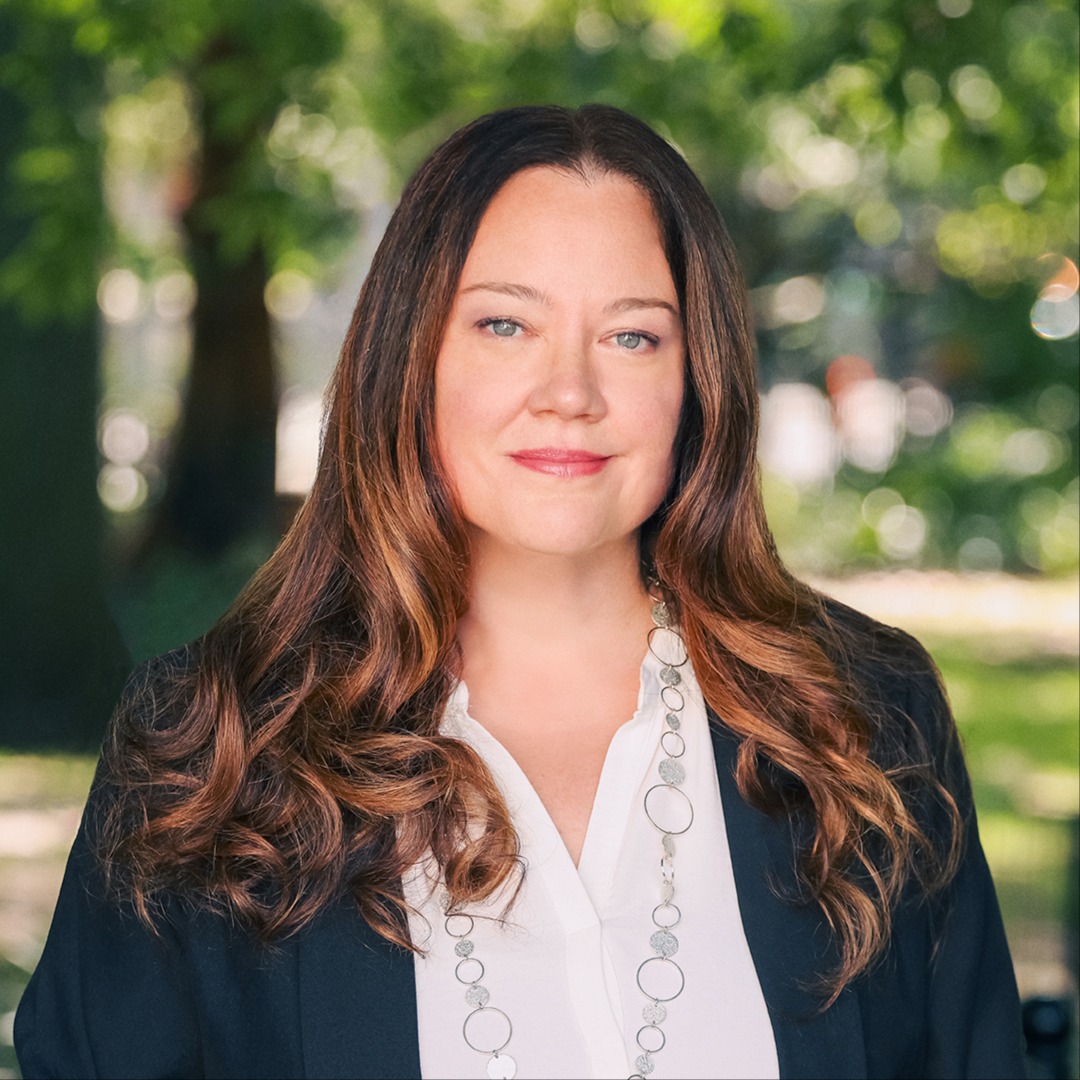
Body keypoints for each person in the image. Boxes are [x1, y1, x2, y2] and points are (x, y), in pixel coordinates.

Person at [15, 104, 1024, 1080]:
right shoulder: (210, 748)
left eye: (632, 336)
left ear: (698, 378)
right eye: (505, 324)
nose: (570, 392)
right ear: (411, 360)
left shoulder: (865, 720)